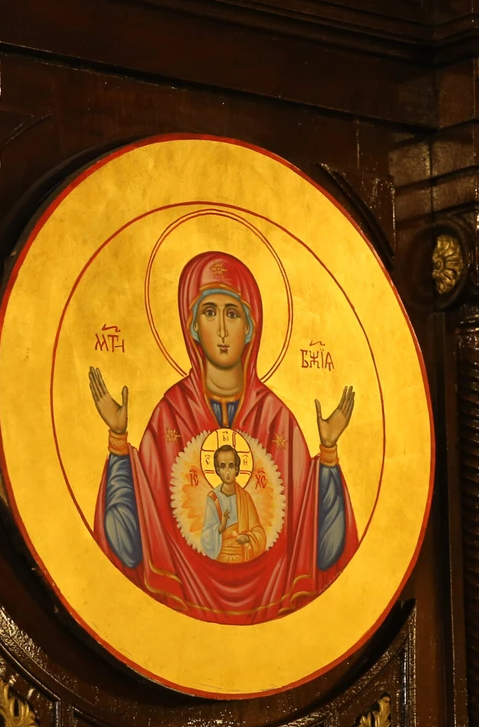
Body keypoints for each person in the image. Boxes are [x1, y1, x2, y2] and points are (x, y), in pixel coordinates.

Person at [87, 251, 358, 625]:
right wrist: (119, 442)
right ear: (193, 326)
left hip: (272, 605)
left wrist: (327, 454)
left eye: (232, 314)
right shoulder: (171, 413)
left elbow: (321, 551)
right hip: (179, 610)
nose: (222, 329)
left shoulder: (277, 419)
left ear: (250, 326)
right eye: (209, 313)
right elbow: (132, 545)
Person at [201, 443, 266, 564]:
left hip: (243, 559)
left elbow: (259, 532)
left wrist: (247, 538)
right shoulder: (213, 498)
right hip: (220, 560)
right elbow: (206, 536)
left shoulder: (245, 498)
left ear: (236, 469)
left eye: (231, 466)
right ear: (217, 470)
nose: (227, 471)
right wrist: (221, 529)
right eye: (223, 466)